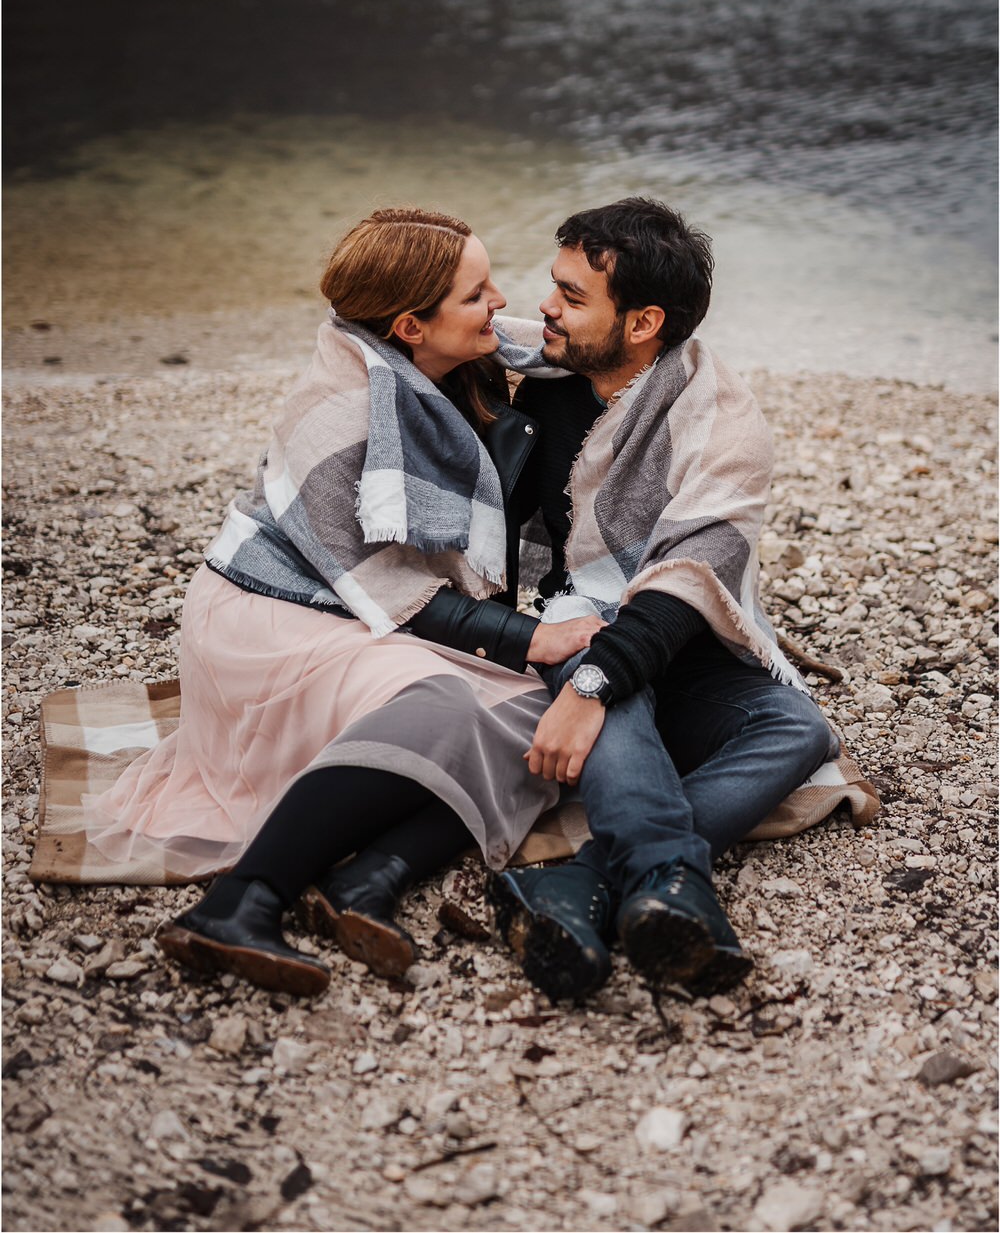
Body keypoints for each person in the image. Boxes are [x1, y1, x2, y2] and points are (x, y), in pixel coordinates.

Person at [81, 208, 601, 996]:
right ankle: (240, 901)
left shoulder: (444, 354)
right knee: (448, 701)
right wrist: (532, 636)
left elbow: (569, 344)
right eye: (477, 293)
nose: (501, 300)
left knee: (534, 720)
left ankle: (371, 879)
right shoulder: (335, 412)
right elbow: (400, 596)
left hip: (354, 605)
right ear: (408, 325)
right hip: (269, 615)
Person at [479, 196, 838, 1001]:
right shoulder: (533, 369)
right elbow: (409, 323)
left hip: (673, 636)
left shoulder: (722, 422)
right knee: (584, 637)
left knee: (799, 726)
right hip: (567, 621)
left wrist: (590, 690)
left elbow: (687, 583)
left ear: (642, 323)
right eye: (554, 285)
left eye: (573, 296)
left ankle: (581, 883)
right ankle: (670, 878)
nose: (545, 306)